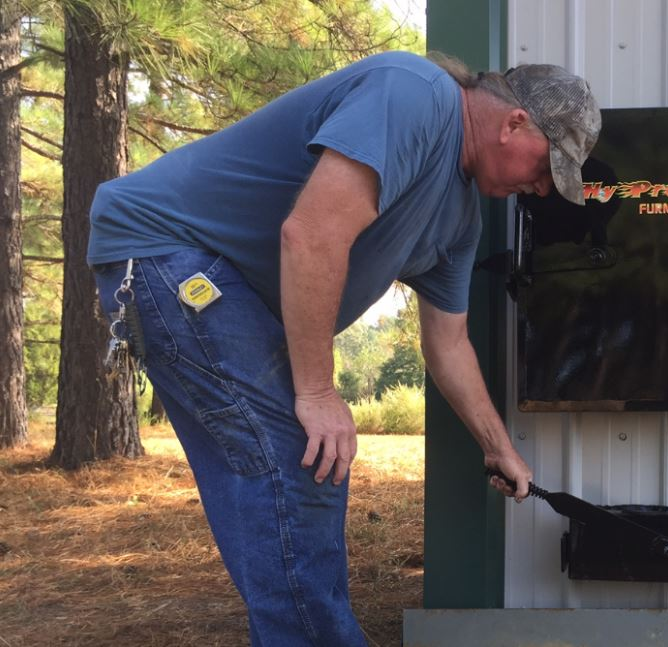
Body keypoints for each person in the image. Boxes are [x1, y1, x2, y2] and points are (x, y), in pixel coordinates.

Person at [87, 50, 601, 646]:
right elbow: (311, 234)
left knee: (279, 475)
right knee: (306, 459)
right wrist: (316, 391)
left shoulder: (459, 221)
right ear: (514, 123)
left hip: (214, 286)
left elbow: (449, 343)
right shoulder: (415, 95)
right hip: (168, 253)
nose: (539, 190)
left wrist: (497, 446)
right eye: (546, 169)